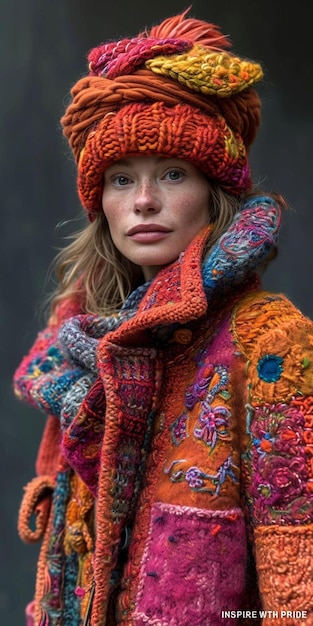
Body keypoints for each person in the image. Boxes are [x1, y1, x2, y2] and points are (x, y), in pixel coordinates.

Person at [14, 8, 313, 626]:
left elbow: (298, 571)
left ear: (214, 192)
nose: (144, 201)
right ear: (101, 203)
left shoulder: (270, 341)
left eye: (172, 174)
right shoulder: (81, 341)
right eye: (122, 180)